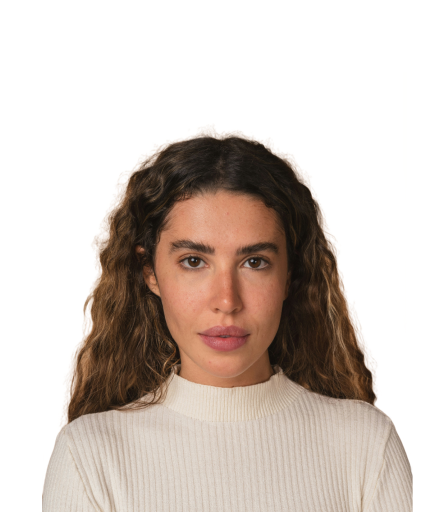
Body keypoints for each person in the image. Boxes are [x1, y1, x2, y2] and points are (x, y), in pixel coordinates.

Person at [42, 128, 412, 511]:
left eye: (255, 262)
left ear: (289, 274)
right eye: (194, 261)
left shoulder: (367, 447)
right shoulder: (89, 458)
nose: (226, 301)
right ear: (149, 271)